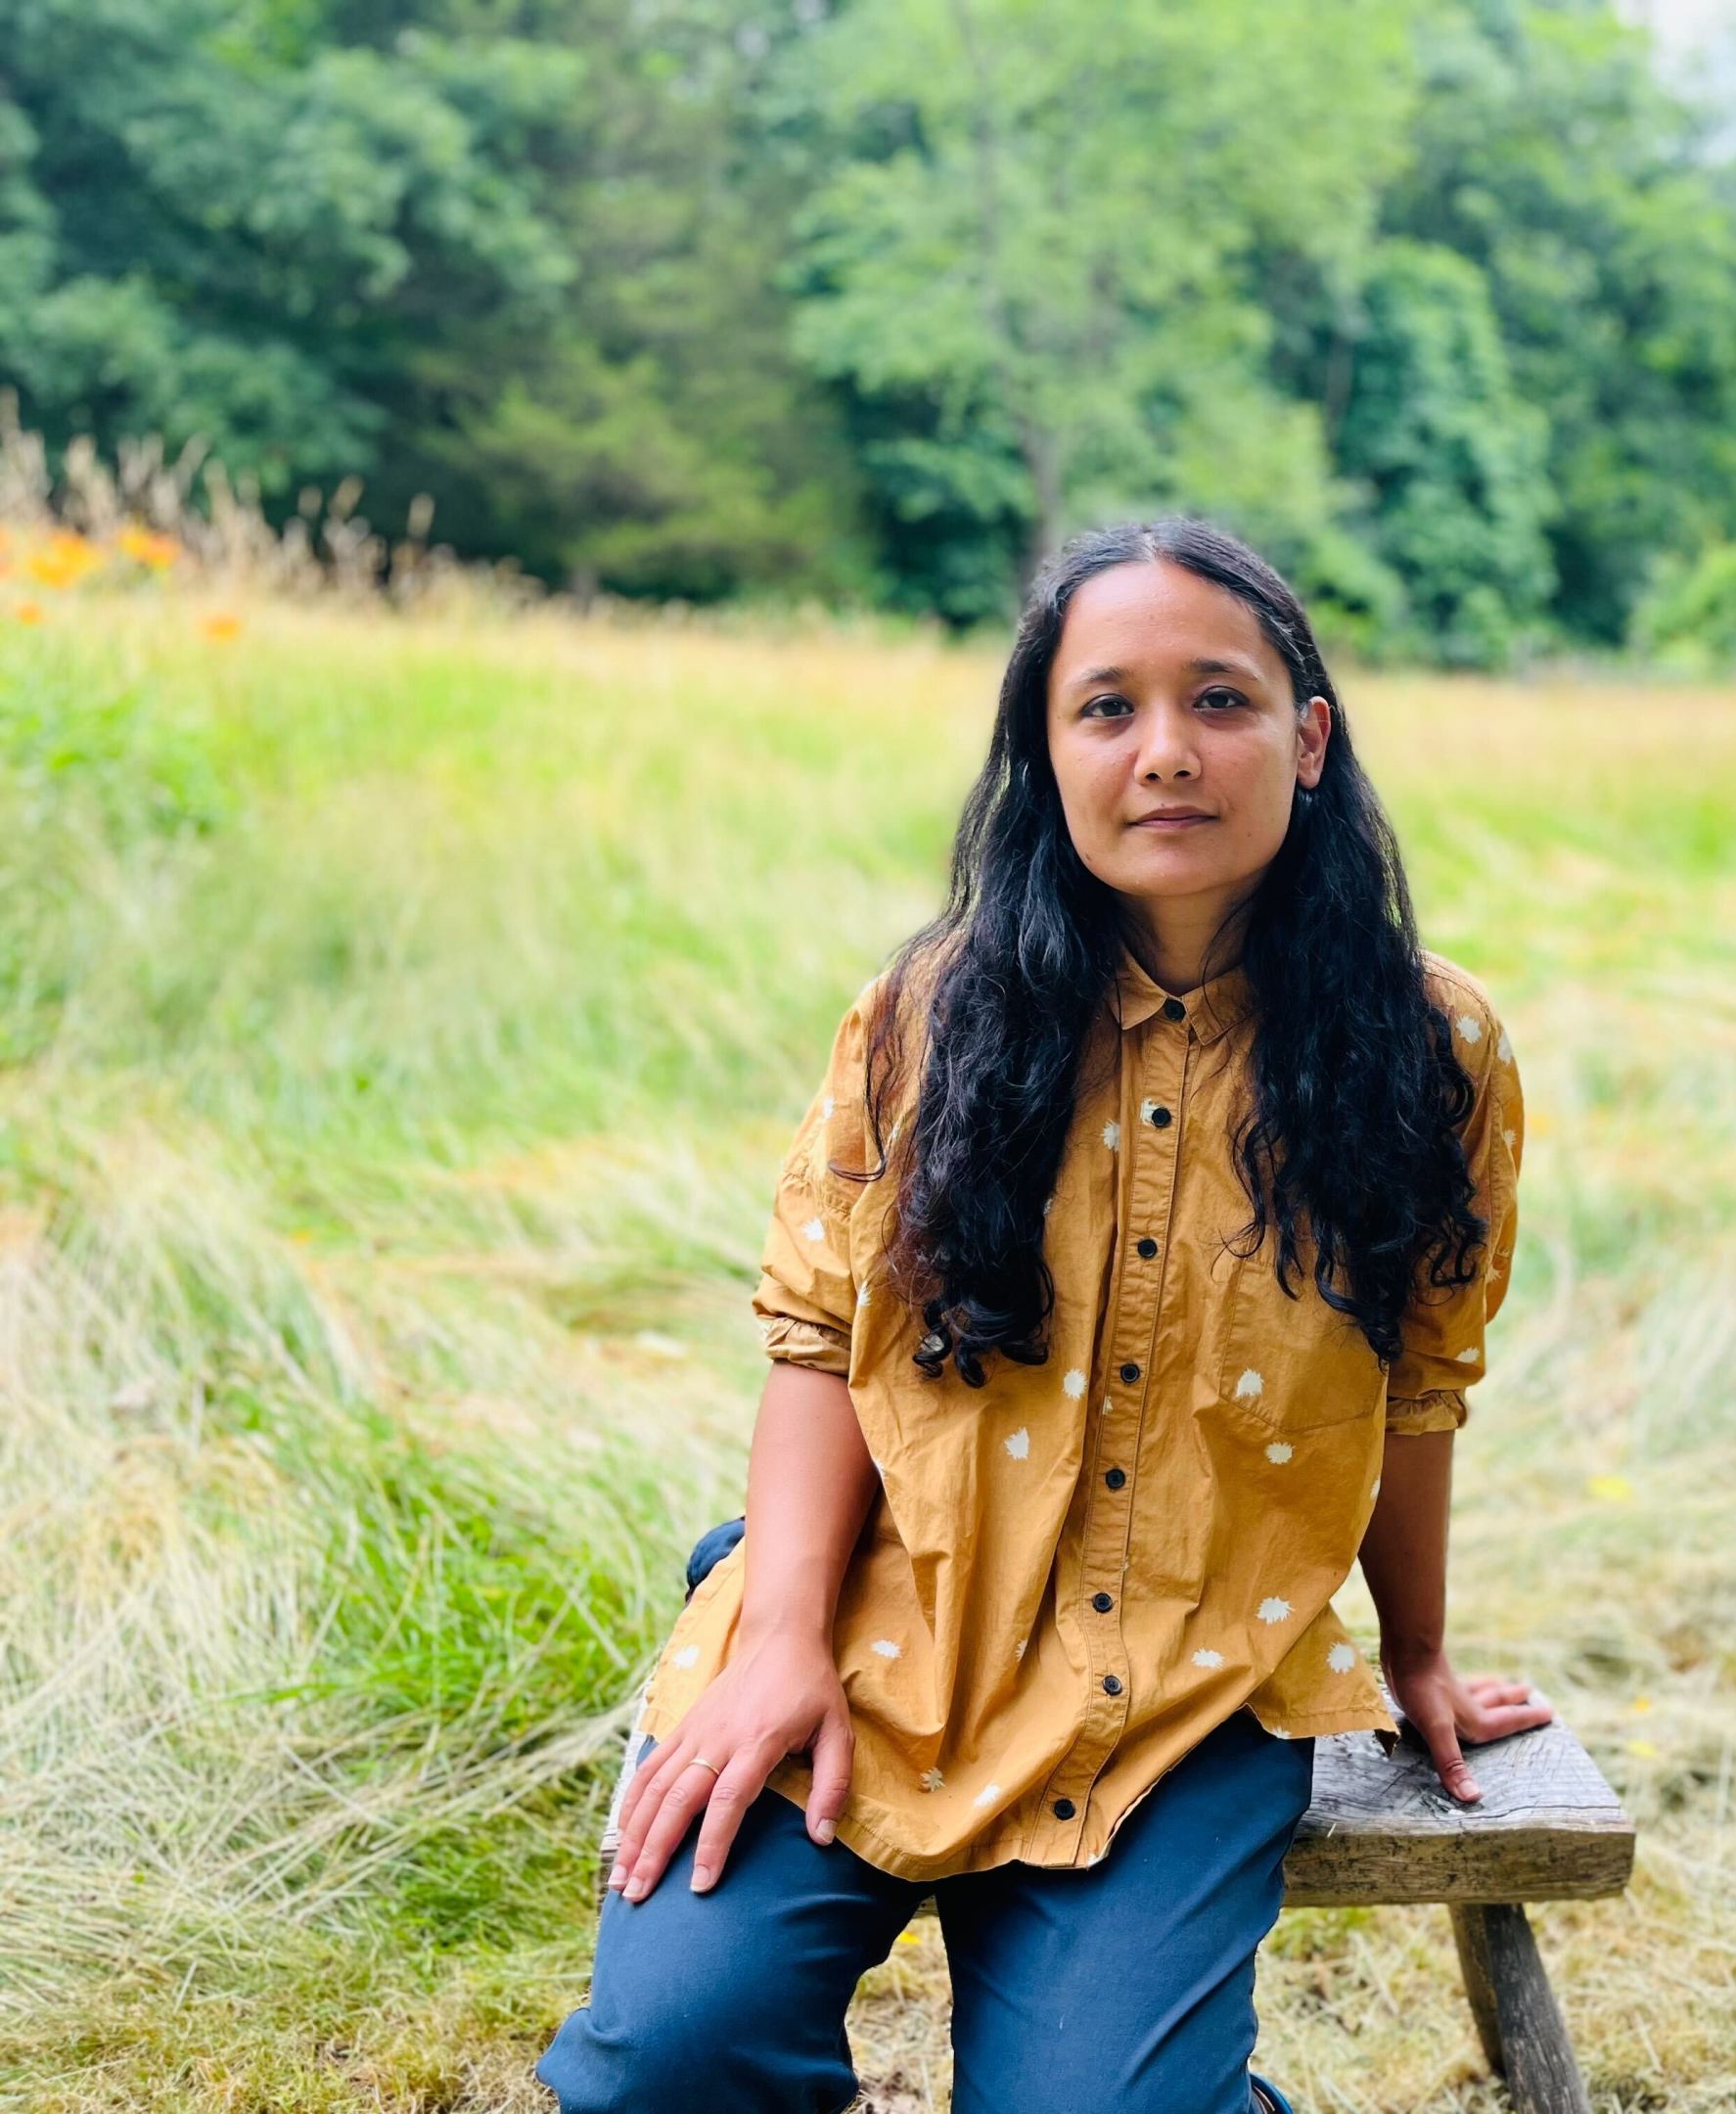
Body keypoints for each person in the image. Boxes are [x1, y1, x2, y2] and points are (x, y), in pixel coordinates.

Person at [536, 519, 1552, 2114]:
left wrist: (1414, 1653)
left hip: (1186, 1679)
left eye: (1218, 701)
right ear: (1045, 750)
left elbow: (1419, 1383)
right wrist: (781, 1638)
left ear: (1307, 738)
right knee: (667, 2063)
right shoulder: (922, 1020)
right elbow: (817, 1340)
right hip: (884, 1620)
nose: (1165, 753)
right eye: (1106, 708)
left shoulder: (1435, 1056)